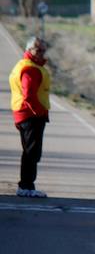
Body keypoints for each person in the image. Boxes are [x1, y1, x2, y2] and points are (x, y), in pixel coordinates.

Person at [9, 36, 52, 198]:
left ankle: (26, 185)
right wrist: (38, 112)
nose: (42, 53)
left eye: (43, 50)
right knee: (31, 152)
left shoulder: (25, 65)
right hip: (31, 116)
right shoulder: (30, 69)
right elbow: (29, 95)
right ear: (29, 50)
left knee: (30, 151)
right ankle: (26, 186)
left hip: (24, 114)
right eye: (38, 50)